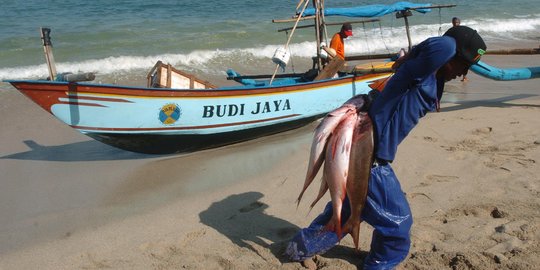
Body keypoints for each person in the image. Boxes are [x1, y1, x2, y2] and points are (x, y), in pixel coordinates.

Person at [286, 25, 486, 269]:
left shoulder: (434, 76)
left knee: (347, 209)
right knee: (397, 225)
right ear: (448, 57)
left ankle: (301, 247)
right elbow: (443, 45)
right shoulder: (422, 69)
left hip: (365, 155)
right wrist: (417, 53)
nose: (464, 72)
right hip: (371, 160)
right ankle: (378, 265)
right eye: (462, 64)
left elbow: (444, 53)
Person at [452, 17, 469, 82]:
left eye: (457, 22)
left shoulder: (462, 30)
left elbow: (466, 38)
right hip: (455, 49)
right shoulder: (451, 30)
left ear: (459, 23)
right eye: (454, 23)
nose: (455, 24)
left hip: (462, 49)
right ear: (452, 23)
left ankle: (464, 77)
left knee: (465, 64)